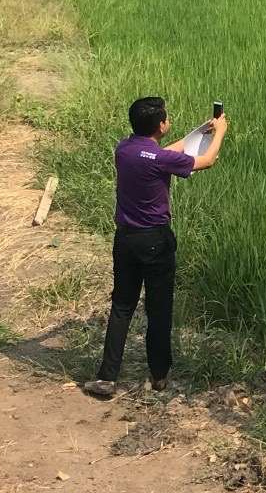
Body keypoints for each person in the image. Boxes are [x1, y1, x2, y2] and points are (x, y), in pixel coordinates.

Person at [83, 96, 228, 400]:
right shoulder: (161, 159)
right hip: (155, 242)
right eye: (167, 118)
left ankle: (107, 378)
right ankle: (159, 376)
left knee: (122, 306)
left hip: (125, 240)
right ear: (161, 125)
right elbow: (207, 160)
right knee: (158, 310)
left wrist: (197, 133)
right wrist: (220, 132)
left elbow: (159, 153)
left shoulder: (124, 150)